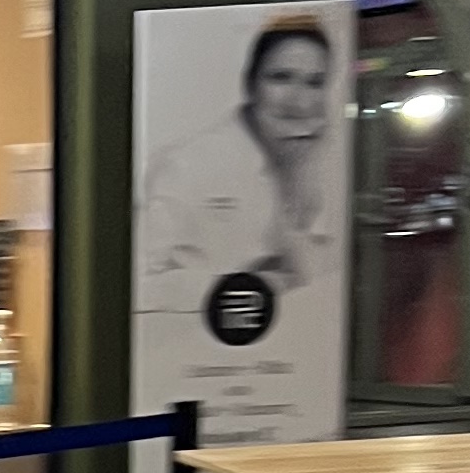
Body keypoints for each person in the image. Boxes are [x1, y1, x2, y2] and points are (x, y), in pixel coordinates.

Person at [137, 17, 343, 310]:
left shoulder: (321, 161)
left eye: (314, 83)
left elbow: (322, 280)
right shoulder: (186, 165)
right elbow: (138, 284)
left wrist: (296, 179)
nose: (298, 101)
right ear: (250, 84)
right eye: (281, 77)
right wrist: (246, 286)